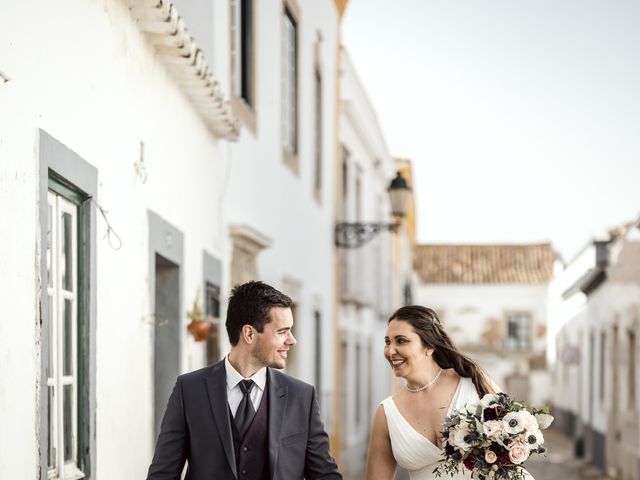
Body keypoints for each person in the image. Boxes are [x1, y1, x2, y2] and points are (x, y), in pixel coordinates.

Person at [147, 280, 341, 480]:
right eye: (282, 331)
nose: (292, 340)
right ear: (249, 333)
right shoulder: (189, 390)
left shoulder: (302, 397)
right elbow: (163, 474)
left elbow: (325, 475)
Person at [365, 305, 534, 480]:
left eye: (401, 341)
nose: (390, 351)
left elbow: (518, 438)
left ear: (429, 346)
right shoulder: (386, 413)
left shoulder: (474, 381)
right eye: (387, 342)